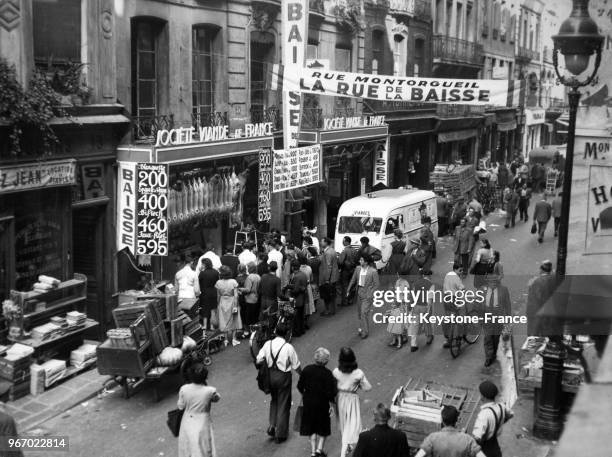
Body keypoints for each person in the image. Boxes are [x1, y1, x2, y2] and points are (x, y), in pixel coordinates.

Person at [256, 323, 302, 444]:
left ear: (275, 332)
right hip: (283, 377)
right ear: (286, 334)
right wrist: (302, 374)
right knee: (284, 403)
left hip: (270, 376)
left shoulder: (268, 344)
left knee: (274, 400)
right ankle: (280, 434)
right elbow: (296, 365)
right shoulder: (288, 347)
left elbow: (258, 359)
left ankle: (272, 425)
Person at [297, 348, 338, 457]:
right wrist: (331, 403)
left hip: (308, 402)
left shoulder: (306, 370)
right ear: (326, 361)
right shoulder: (328, 374)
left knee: (311, 426)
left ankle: (313, 451)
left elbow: (300, 386)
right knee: (323, 426)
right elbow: (331, 393)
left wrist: (305, 394)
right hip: (322, 404)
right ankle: (319, 450)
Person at [333, 347, 372, 457]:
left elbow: (333, 385)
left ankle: (348, 447)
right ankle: (344, 453)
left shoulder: (336, 372)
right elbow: (368, 387)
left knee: (344, 424)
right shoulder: (358, 373)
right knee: (353, 425)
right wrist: (358, 384)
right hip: (351, 399)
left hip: (339, 398)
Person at [177, 361, 220, 457]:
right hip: (203, 421)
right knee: (204, 448)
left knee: (188, 447)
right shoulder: (209, 391)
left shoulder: (184, 389)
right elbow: (217, 398)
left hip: (187, 420)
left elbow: (180, 406)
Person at [415, 405, 485, 457]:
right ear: (456, 420)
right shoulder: (468, 439)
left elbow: (419, 455)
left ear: (442, 420)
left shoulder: (432, 438)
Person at [472, 381, 514, 457]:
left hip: (485, 449)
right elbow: (511, 414)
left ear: (483, 396)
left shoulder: (484, 415)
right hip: (495, 445)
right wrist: (500, 421)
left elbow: (477, 437)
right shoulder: (501, 406)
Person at [481, 275, 511, 367]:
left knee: (495, 338)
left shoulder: (503, 290)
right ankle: (488, 357)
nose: (493, 284)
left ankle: (493, 353)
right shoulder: (483, 290)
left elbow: (507, 304)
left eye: (494, 282)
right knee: (488, 338)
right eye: (491, 282)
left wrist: (508, 318)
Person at [347, 254, 380, 339]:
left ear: (366, 262)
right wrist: (348, 289)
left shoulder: (373, 271)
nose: (359, 261)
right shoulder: (358, 269)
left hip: (367, 295)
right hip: (359, 293)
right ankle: (361, 329)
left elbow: (377, 285)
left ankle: (365, 332)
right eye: (360, 260)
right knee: (359, 313)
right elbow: (353, 279)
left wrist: (370, 294)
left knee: (363, 313)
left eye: (361, 260)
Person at [526, 260, 557, 336]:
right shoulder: (554, 278)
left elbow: (536, 298)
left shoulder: (536, 282)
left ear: (541, 270)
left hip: (538, 312)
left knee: (534, 335)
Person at [215, 265, 242, 347]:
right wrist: (236, 305)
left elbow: (218, 295)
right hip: (232, 301)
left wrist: (218, 304)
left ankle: (226, 339)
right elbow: (236, 295)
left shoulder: (218, 283)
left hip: (223, 301)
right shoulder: (233, 281)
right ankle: (234, 339)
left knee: (224, 320)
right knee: (234, 319)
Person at [409, 269, 435, 351]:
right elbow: (430, 299)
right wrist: (429, 309)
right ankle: (428, 338)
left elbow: (412, 296)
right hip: (425, 307)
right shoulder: (431, 285)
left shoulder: (416, 283)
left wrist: (411, 306)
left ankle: (413, 344)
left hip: (416, 307)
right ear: (429, 276)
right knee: (427, 323)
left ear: (423, 275)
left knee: (415, 325)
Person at [442, 263, 466, 348]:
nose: (461, 272)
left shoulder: (448, 274)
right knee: (459, 318)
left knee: (448, 318)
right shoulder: (456, 278)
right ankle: (458, 338)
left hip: (446, 298)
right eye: (460, 270)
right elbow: (462, 288)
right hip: (454, 299)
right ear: (455, 270)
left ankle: (448, 339)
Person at [286, 260, 308, 337]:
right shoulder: (303, 274)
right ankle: (302, 330)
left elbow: (295, 290)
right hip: (303, 297)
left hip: (297, 299)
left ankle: (297, 332)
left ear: (292, 267)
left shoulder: (296, 276)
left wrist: (289, 289)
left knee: (296, 317)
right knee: (301, 315)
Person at [319, 237, 340, 317]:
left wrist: (327, 279)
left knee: (328, 295)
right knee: (332, 294)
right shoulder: (332, 250)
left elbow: (329, 267)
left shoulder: (328, 252)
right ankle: (331, 310)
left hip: (329, 278)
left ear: (326, 243)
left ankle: (329, 311)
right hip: (334, 276)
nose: (321, 243)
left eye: (322, 241)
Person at [240, 262, 260, 336]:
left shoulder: (249, 277)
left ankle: (248, 332)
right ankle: (254, 331)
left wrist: (241, 289)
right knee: (255, 316)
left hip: (249, 299)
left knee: (248, 317)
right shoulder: (258, 276)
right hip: (256, 298)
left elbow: (248, 290)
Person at [338, 236, 358, 307]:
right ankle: (350, 300)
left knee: (345, 285)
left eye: (343, 241)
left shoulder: (345, 250)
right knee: (352, 285)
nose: (342, 242)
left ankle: (345, 301)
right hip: (353, 270)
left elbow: (340, 262)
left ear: (346, 242)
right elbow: (357, 260)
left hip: (345, 270)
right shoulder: (355, 250)